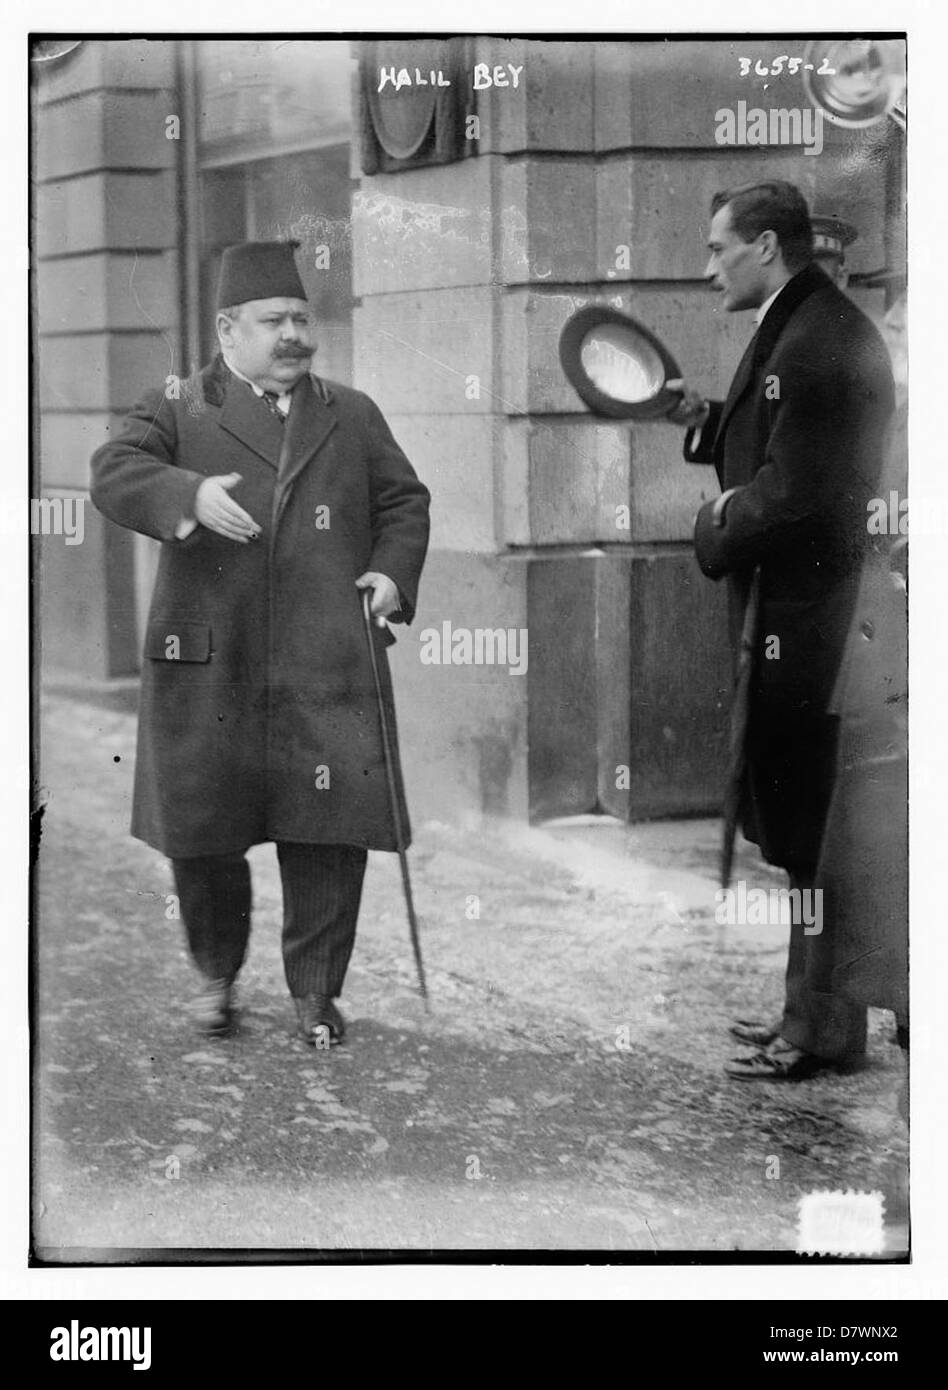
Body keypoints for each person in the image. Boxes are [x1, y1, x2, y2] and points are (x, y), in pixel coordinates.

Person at [90, 239, 430, 1045]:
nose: (294, 336)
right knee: (205, 830)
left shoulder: (350, 412)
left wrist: (390, 574)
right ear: (226, 329)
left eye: (302, 319)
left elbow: (403, 503)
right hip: (213, 658)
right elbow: (111, 470)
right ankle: (215, 978)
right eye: (274, 320)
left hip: (325, 656)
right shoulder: (178, 405)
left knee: (327, 829)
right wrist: (189, 493)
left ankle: (316, 993)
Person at [667, 182, 895, 1081]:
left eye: (718, 248)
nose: (708, 265)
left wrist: (714, 522)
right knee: (805, 834)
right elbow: (781, 443)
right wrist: (709, 425)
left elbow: (797, 495)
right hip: (801, 621)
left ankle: (822, 1030)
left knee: (816, 833)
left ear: (764, 245)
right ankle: (807, 1016)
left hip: (817, 627)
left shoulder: (815, 341)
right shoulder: (805, 324)